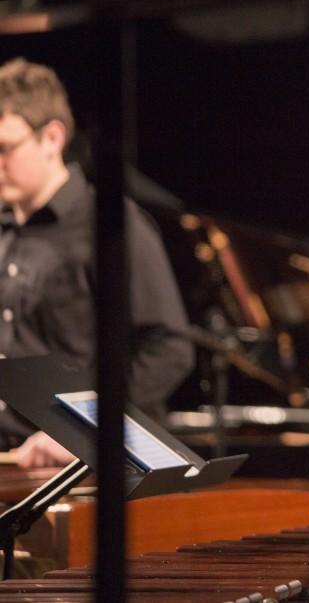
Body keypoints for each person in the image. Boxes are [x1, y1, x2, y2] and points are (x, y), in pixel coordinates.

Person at [0, 57, 194, 468]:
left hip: (82, 469)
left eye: (4, 147)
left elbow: (169, 349)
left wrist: (83, 431)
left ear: (52, 138)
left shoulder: (110, 223)